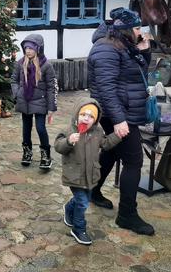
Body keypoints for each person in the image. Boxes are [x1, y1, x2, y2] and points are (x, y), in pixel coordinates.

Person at [87, 7, 155, 236]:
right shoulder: (106, 48)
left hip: (125, 109)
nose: (140, 31)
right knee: (134, 161)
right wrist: (119, 120)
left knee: (112, 152)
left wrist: (144, 51)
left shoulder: (123, 45)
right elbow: (106, 88)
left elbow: (136, 73)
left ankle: (92, 190)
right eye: (137, 27)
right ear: (124, 29)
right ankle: (127, 214)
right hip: (117, 112)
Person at [54, 98, 122, 245]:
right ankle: (78, 229)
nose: (86, 118)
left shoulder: (97, 131)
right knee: (83, 203)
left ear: (96, 119)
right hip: (75, 175)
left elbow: (105, 144)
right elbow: (58, 146)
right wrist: (68, 141)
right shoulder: (68, 131)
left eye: (91, 116)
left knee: (82, 199)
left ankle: (68, 207)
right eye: (84, 114)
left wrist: (117, 135)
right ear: (77, 114)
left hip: (91, 175)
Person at [11, 34, 58, 169]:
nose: (28, 51)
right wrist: (17, 93)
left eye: (31, 48)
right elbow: (13, 80)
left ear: (38, 49)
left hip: (40, 102)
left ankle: (45, 155)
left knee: (40, 128)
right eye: (26, 48)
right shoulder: (20, 63)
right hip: (24, 101)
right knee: (26, 129)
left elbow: (51, 87)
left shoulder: (46, 65)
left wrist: (51, 108)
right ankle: (27, 152)